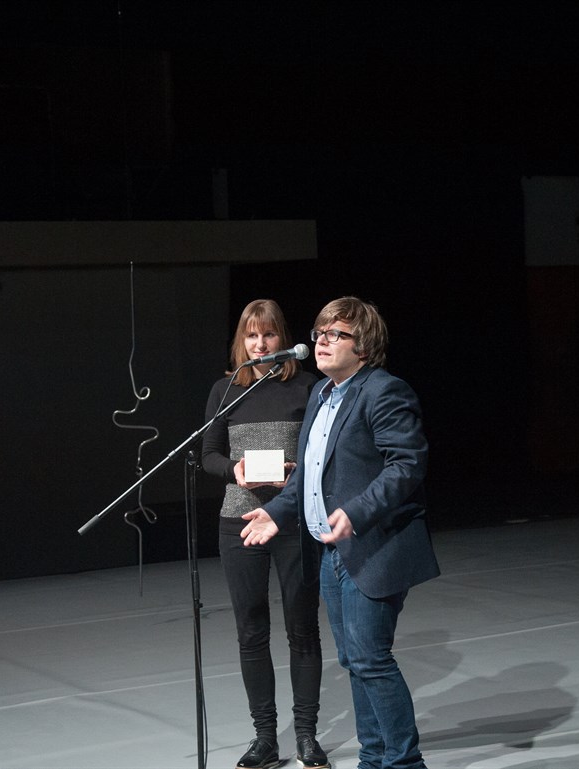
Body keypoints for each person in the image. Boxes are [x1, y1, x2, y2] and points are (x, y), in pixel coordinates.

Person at [241, 296, 440, 769]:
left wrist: (358, 510)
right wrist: (278, 512)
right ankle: (373, 759)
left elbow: (407, 465)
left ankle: (405, 763)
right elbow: (310, 474)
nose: (322, 342)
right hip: (329, 551)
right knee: (353, 660)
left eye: (336, 334)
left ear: (363, 347)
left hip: (375, 545)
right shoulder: (321, 394)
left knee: (371, 658)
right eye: (320, 333)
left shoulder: (384, 391)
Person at [202, 299, 328, 769]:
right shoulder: (225, 390)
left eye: (269, 334)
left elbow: (321, 453)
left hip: (293, 521)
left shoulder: (307, 386)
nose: (260, 344)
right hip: (239, 523)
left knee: (302, 627)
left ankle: (307, 735)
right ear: (241, 341)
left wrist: (297, 473)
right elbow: (208, 454)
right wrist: (234, 470)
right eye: (252, 335)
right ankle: (265, 738)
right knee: (251, 631)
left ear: (283, 339)